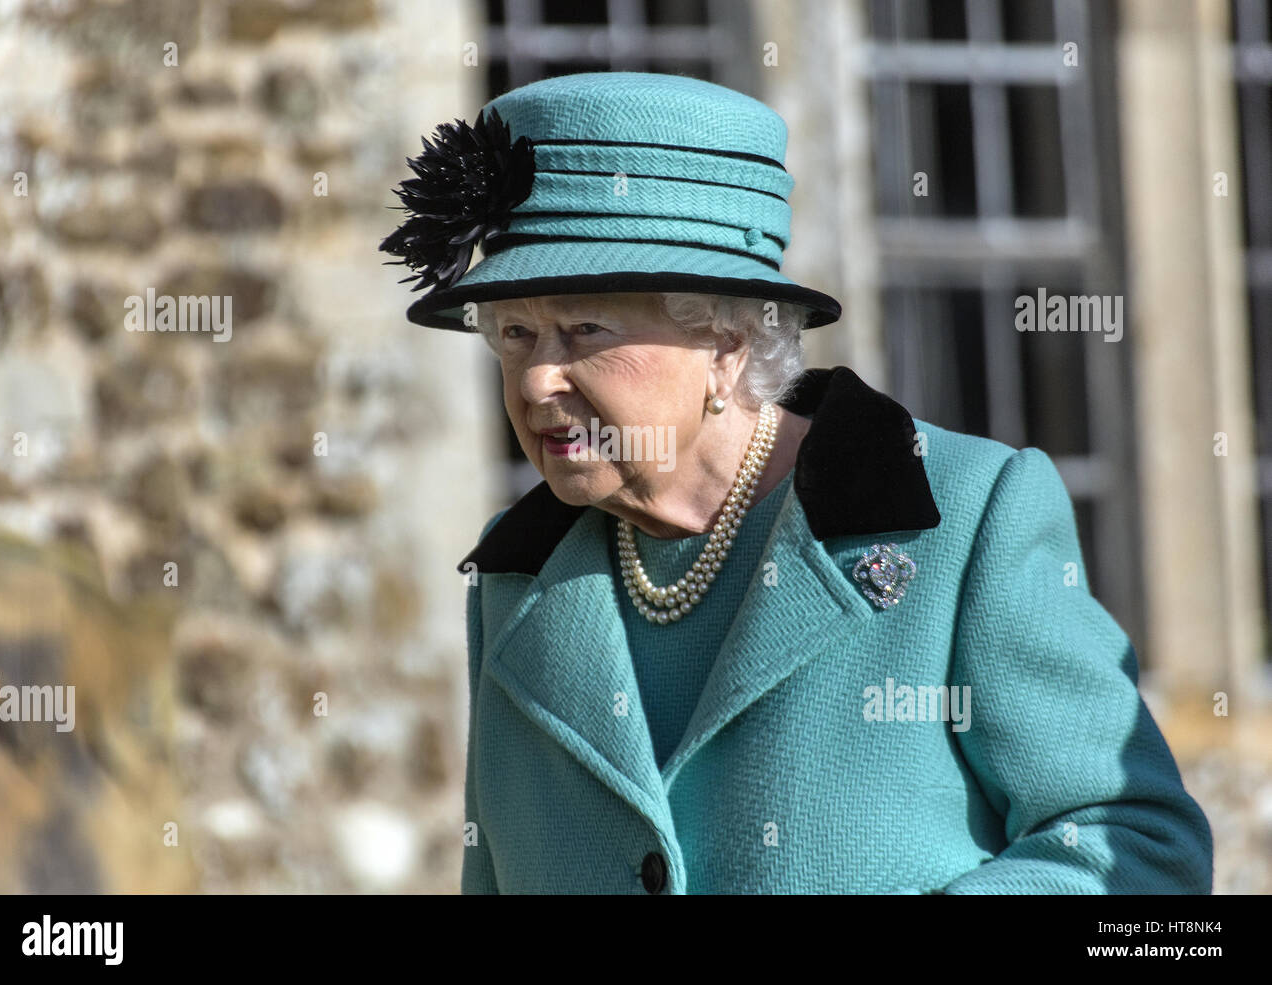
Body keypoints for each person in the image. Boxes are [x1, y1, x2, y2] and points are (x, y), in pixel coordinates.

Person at [380, 71, 1212, 894]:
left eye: (584, 331)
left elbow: (1135, 849)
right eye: (516, 335)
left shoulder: (962, 519)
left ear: (727, 343)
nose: (534, 383)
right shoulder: (518, 574)